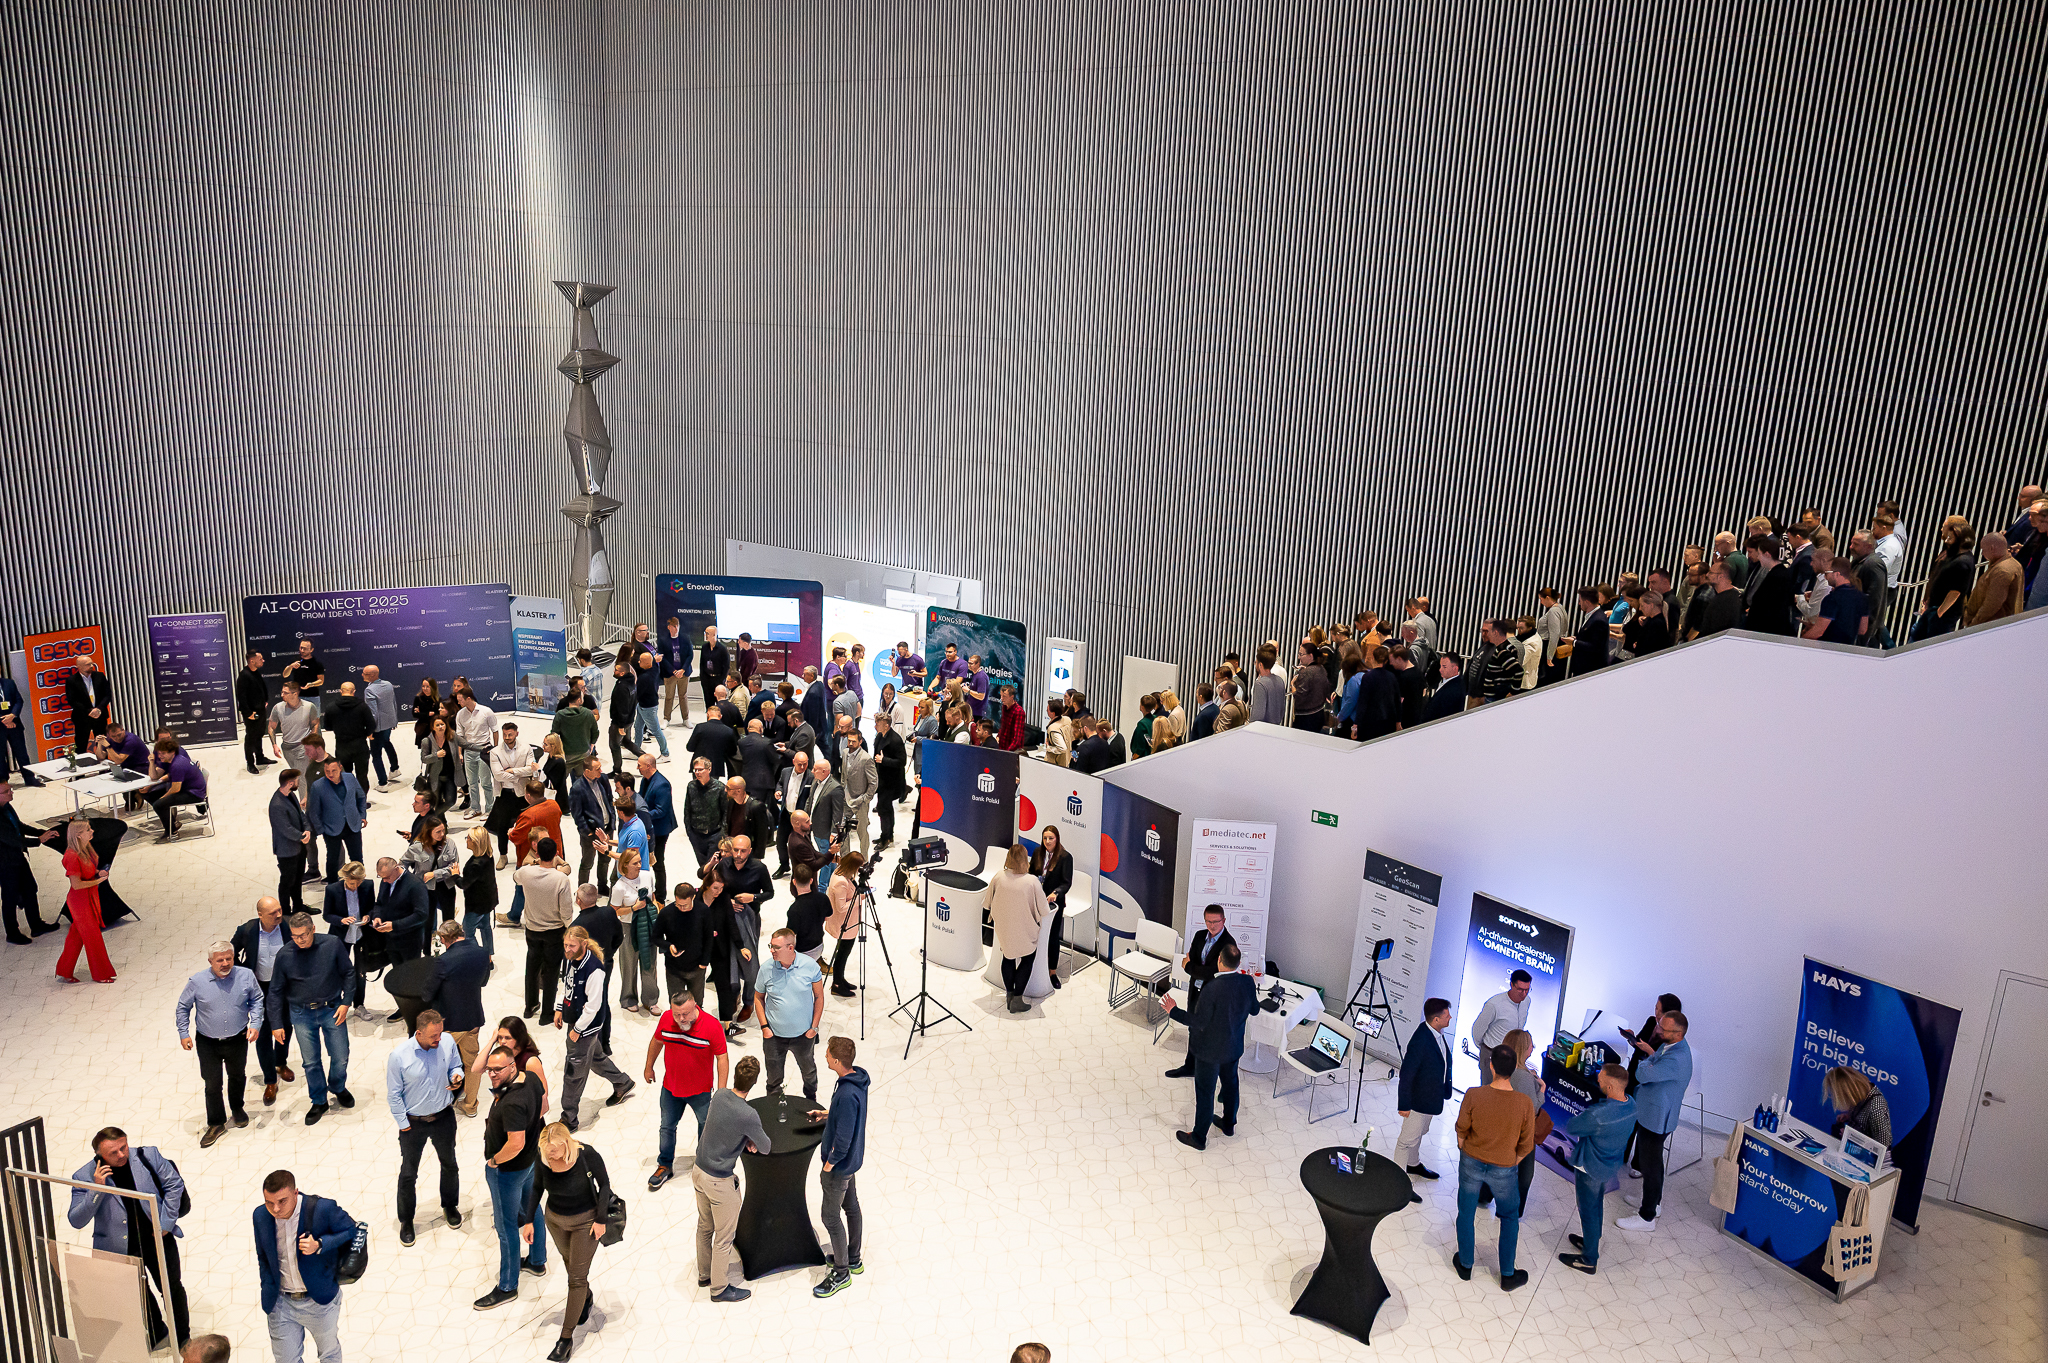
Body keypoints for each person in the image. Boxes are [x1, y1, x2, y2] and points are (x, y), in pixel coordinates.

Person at [71, 1126, 189, 1349]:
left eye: (123, 1147)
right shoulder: (84, 1176)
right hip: (120, 1248)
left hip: (158, 1239)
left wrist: (166, 1222)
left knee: (171, 1288)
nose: (122, 1154)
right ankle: (157, 1333)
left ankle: (183, 1337)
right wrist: (96, 1189)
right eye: (113, 1153)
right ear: (99, 1155)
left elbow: (174, 1184)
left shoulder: (148, 1155)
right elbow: (76, 1219)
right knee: (138, 1293)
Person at [1452, 1045, 1535, 1291]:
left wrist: (1465, 1148)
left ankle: (1465, 1264)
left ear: (1491, 1066)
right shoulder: (1524, 1103)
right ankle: (1507, 1274)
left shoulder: (1473, 1094)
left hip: (1472, 1160)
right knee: (1509, 1216)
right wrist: (1512, 1161)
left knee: (1466, 1212)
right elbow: (1526, 1144)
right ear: (1515, 1068)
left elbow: (1461, 1128)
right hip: (1504, 1167)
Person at [1159, 943, 1258, 1151]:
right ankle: (1229, 1124)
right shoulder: (1248, 982)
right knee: (1231, 1086)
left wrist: (1173, 1010)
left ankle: (1198, 1138)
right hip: (1233, 1048)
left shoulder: (1211, 988)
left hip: (1209, 1052)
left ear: (1219, 961)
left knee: (1206, 1093)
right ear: (1238, 963)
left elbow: (1199, 1022)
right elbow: (1255, 1010)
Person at [693, 1054, 772, 1302]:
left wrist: (743, 1137)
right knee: (724, 1238)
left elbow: (723, 1127)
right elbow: (766, 1147)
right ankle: (719, 1288)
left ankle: (704, 1274)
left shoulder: (719, 1095)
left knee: (705, 1226)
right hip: (719, 1181)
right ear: (754, 1082)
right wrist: (749, 1137)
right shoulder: (748, 1115)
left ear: (735, 1075)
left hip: (698, 1171)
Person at [255, 1169, 355, 1363]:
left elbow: (351, 1230)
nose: (275, 1209)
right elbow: (263, 1256)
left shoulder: (322, 1209)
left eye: (282, 1201)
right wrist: (267, 1286)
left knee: (328, 1354)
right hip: (281, 1302)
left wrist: (320, 1244)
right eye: (269, 1202)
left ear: (295, 1193)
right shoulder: (260, 1216)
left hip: (318, 1301)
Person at [475, 1046, 548, 1310]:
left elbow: (515, 1144)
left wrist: (494, 1161)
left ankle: (507, 1286)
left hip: (509, 1171)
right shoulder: (531, 1078)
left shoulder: (513, 1102)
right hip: (531, 1161)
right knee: (532, 1209)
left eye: (498, 1070)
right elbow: (544, 1106)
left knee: (506, 1228)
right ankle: (537, 1261)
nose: (492, 1074)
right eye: (490, 1070)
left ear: (512, 1066)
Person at [386, 1008, 466, 1245]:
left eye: (440, 1033)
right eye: (433, 1036)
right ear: (418, 1033)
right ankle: (406, 1220)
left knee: (449, 1164)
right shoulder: (399, 1057)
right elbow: (393, 1095)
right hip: (413, 1123)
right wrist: (403, 1124)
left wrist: (457, 1076)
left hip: (443, 1116)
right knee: (408, 1173)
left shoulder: (447, 1041)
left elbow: (456, 1065)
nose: (439, 1039)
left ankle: (450, 1206)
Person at [269, 911, 355, 1125]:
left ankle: (337, 1086)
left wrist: (346, 1002)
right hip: (301, 1013)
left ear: (313, 929)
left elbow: (349, 973)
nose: (299, 940)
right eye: (295, 936)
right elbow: (275, 991)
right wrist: (276, 1023)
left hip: (332, 1008)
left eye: (303, 935)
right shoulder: (284, 954)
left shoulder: (332, 944)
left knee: (341, 1055)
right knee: (311, 1061)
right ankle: (319, 1100)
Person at [177, 942, 265, 1146]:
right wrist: (183, 1033)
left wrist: (256, 1023)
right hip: (208, 1042)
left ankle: (237, 1108)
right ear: (210, 961)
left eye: (229, 959)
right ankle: (216, 1123)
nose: (225, 963)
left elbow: (257, 999)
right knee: (212, 1083)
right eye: (220, 960)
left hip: (238, 1038)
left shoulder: (246, 975)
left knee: (237, 1075)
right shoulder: (197, 981)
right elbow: (183, 1007)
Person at [1557, 1062, 1637, 1275]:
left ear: (1609, 1087)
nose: (1597, 1080)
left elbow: (1573, 1126)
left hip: (1590, 1167)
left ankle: (1589, 1259)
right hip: (1609, 1165)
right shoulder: (1631, 1105)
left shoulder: (1599, 1115)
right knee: (1597, 1205)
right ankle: (1591, 1240)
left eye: (1600, 1079)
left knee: (1588, 1210)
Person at [1617, 1010, 1692, 1233]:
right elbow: (1653, 1064)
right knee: (1654, 1163)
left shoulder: (1676, 1058)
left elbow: (1642, 1074)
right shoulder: (1672, 1047)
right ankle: (1653, 1204)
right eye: (1659, 1024)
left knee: (1650, 1166)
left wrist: (1647, 1060)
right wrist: (1651, 1059)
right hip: (1652, 1111)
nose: (1657, 1030)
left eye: (1662, 1029)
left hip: (1657, 1117)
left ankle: (1646, 1217)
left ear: (1678, 1033)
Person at [554, 927, 635, 1131]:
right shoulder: (571, 958)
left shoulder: (594, 970)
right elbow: (566, 985)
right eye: (565, 945)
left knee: (574, 1073)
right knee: (596, 1058)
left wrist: (578, 1029)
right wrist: (559, 1008)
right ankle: (623, 1082)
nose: (567, 949)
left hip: (585, 1027)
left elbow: (593, 1006)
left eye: (572, 946)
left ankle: (569, 1119)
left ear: (584, 943)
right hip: (576, 1020)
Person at [808, 1035, 871, 1298]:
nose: (825, 1056)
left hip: (840, 1166)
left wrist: (829, 1165)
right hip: (852, 1162)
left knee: (830, 1217)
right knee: (851, 1207)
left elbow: (843, 1140)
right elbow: (847, 1118)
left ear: (836, 1061)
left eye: (828, 1054)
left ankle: (842, 1272)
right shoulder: (857, 1080)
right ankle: (853, 1257)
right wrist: (827, 1114)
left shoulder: (846, 1094)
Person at [232, 897, 298, 1106]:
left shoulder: (289, 925)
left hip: (285, 987)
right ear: (260, 915)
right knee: (262, 1033)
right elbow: (231, 953)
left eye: (279, 910)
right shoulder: (247, 930)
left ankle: (281, 1062)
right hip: (259, 988)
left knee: (285, 1026)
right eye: (273, 913)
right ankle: (270, 1079)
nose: (278, 915)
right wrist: (243, 974)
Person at [422, 920, 492, 1115]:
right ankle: (470, 1105)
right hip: (473, 1019)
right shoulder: (482, 952)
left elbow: (427, 994)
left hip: (449, 1024)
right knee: (472, 1064)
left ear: (445, 939)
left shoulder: (443, 961)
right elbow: (484, 981)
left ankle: (438, 1105)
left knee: (437, 1064)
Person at [1165, 905, 1235, 1078]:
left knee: (1207, 1032)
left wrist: (1189, 966)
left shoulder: (1228, 944)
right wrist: (1194, 968)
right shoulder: (1199, 935)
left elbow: (1212, 972)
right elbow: (1196, 963)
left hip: (1213, 995)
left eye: (1216, 921)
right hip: (1195, 991)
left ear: (1224, 920)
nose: (1212, 925)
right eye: (1208, 921)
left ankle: (1206, 1070)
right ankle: (1190, 1067)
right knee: (1193, 1028)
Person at [757, 927, 826, 1099]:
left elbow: (819, 997)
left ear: (790, 947)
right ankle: (773, 1106)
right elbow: (758, 997)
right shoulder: (766, 968)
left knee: (809, 1072)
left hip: (803, 1035)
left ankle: (811, 1100)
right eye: (771, 946)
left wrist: (814, 1028)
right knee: (773, 1078)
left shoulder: (810, 966)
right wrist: (764, 1027)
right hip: (774, 1036)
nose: (772, 950)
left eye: (776, 947)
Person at [1396, 997, 1455, 1182]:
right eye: (1447, 1015)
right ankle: (1398, 1181)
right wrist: (1404, 1105)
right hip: (1417, 1101)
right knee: (1406, 1141)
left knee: (1420, 1133)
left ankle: (1413, 1164)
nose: (1450, 1017)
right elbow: (1406, 1075)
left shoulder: (1436, 1032)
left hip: (1430, 1097)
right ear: (1436, 1019)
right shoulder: (1420, 1041)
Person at [518, 839, 576, 1021]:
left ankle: (530, 1006)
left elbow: (515, 877)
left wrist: (534, 863)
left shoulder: (526, 872)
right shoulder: (561, 879)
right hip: (554, 931)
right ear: (556, 854)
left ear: (537, 854)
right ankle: (547, 1013)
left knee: (532, 968)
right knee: (551, 972)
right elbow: (566, 910)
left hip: (532, 929)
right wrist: (569, 927)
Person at [56, 818, 117, 984]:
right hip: (80, 901)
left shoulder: (86, 848)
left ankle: (64, 970)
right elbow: (76, 885)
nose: (92, 831)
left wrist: (98, 872)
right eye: (88, 829)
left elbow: (87, 869)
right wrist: (98, 881)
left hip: (89, 897)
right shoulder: (71, 856)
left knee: (76, 937)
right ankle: (101, 974)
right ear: (78, 834)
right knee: (93, 937)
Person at [0, 778, 61, 942]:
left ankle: (36, 925)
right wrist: (39, 840)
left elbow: (19, 827)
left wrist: (41, 833)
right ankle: (12, 933)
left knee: (30, 889)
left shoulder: (6, 807)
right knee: (10, 896)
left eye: (10, 789)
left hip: (17, 857)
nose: (11, 793)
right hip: (5, 862)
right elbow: (12, 840)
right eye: (6, 791)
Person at [609, 848, 659, 1013]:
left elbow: (653, 897)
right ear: (625, 865)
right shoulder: (619, 887)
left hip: (648, 925)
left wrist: (656, 914)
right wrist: (633, 908)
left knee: (650, 963)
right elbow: (614, 911)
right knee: (629, 964)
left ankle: (651, 999)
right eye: (635, 863)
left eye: (640, 862)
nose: (639, 865)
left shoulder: (647, 875)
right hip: (628, 926)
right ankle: (628, 998)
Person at [1029, 826, 1073, 988]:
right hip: (1036, 899)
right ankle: (1034, 966)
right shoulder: (1037, 852)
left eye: (1051, 838)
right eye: (1045, 838)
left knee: (1053, 937)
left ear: (1057, 839)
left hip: (1054, 903)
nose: (1047, 841)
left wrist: (1056, 892)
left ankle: (1052, 972)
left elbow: (1066, 883)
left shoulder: (1065, 857)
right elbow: (1031, 873)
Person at [1469, 970, 1532, 1076]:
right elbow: (1478, 1030)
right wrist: (1485, 1049)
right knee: (1490, 1086)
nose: (1524, 994)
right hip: (1492, 1053)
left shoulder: (1527, 1001)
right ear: (1511, 985)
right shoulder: (1494, 1005)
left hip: (1512, 1056)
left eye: (1527, 990)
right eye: (1520, 990)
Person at [633, 752, 675, 898]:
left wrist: (641, 815)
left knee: (657, 861)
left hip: (660, 829)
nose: (637, 768)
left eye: (639, 765)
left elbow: (661, 810)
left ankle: (661, 894)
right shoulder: (645, 779)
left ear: (648, 766)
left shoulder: (662, 784)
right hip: (648, 826)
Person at [822, 853, 864, 998]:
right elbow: (841, 907)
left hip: (849, 922)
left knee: (843, 953)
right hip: (844, 924)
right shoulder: (840, 881)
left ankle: (840, 979)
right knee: (842, 954)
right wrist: (860, 898)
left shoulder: (842, 872)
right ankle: (837, 984)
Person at [1964, 531, 2026, 627]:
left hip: (1989, 625)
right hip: (1997, 624)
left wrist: (1974, 623)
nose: (1982, 553)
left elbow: (1991, 605)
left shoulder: (2002, 571)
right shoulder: (2012, 564)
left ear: (1992, 548)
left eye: (1983, 550)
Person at [1823, 1066, 1893, 1146]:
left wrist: (1852, 1138)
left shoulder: (1876, 1107)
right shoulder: (1862, 1093)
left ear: (1849, 1092)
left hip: (1862, 1151)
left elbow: (1883, 1147)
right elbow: (1865, 1119)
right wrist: (1850, 1116)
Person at [63, 654, 115, 746]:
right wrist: (89, 711)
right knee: (81, 744)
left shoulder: (100, 676)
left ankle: (103, 756)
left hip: (100, 715)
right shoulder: (72, 680)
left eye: (92, 664)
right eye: (88, 664)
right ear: (79, 666)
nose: (91, 666)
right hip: (82, 716)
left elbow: (107, 695)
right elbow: (72, 700)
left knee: (103, 744)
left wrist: (99, 709)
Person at [236, 650, 274, 774]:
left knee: (259, 734)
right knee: (251, 736)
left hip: (260, 709)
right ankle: (250, 763)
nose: (263, 661)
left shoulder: (256, 672)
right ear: (252, 661)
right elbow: (241, 696)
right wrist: (248, 713)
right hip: (252, 713)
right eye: (260, 659)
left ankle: (260, 757)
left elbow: (261, 688)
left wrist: (265, 700)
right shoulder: (244, 675)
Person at [1420, 653, 1466, 722]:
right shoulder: (1444, 681)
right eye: (1440, 666)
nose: (1440, 670)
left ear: (1455, 668)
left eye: (1444, 667)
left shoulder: (1455, 690)